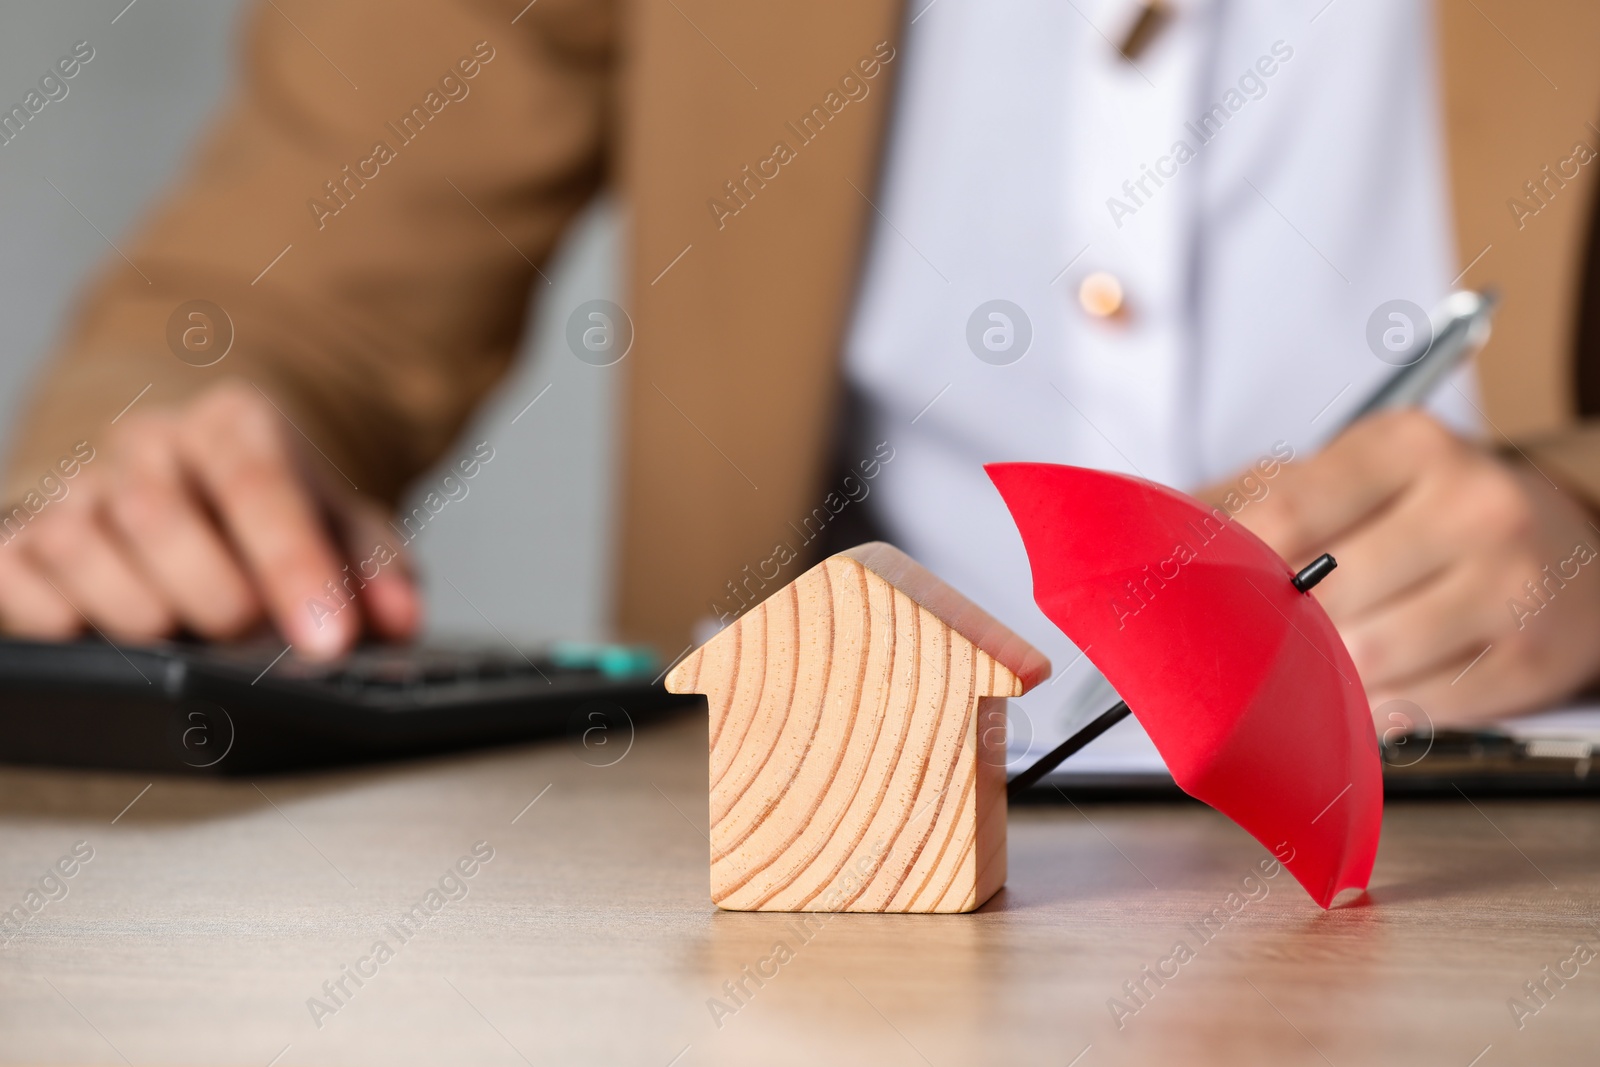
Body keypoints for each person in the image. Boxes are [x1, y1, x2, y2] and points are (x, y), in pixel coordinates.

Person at [4, 0, 1600, 731]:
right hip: (794, 884)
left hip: (1490, 869)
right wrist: (167, 473)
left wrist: (1580, 539)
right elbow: (268, 296)